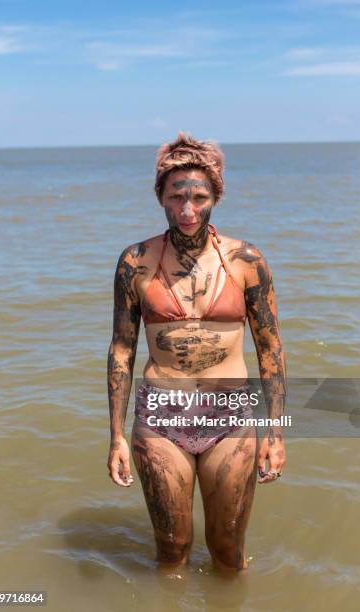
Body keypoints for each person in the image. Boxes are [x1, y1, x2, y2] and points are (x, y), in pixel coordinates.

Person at [107, 132, 287, 572]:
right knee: (172, 551)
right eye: (176, 197)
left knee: (228, 550)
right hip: (161, 417)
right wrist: (115, 435)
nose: (187, 210)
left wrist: (278, 433)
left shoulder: (246, 260)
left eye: (199, 197)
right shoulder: (136, 262)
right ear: (160, 197)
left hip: (231, 417)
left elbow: (271, 349)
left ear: (215, 197)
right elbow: (121, 350)